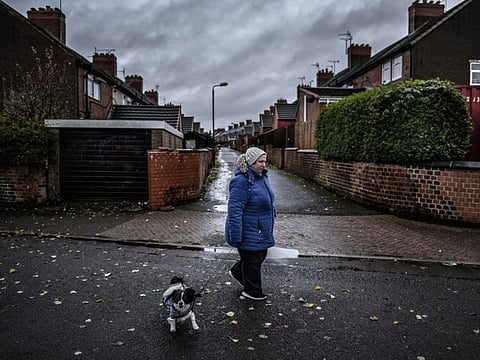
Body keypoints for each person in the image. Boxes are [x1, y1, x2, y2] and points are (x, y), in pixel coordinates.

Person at [225, 147, 276, 301]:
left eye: (264, 161)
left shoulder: (262, 177)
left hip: (261, 228)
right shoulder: (241, 182)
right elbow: (234, 210)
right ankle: (252, 292)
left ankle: (238, 271)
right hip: (248, 230)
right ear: (251, 162)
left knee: (260, 255)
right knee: (252, 260)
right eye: (260, 161)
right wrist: (235, 235)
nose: (263, 164)